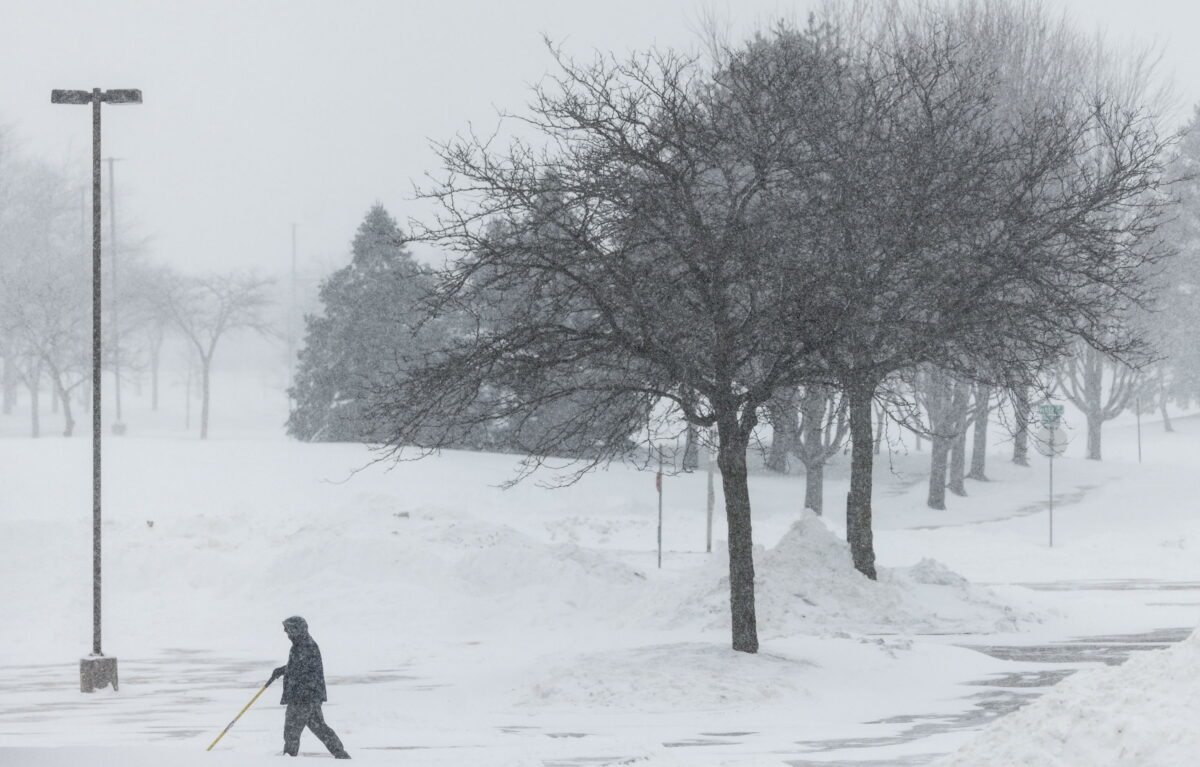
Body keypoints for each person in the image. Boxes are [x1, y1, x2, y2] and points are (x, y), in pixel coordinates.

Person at [268, 616, 350, 759]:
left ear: (296, 630)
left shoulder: (305, 646)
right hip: (310, 696)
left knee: (291, 730)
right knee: (319, 727)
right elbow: (298, 667)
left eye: (288, 629)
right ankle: (340, 753)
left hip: (303, 697)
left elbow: (299, 669)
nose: (286, 633)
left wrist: (285, 671)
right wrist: (282, 670)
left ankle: (288, 758)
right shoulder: (304, 644)